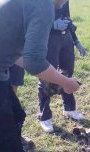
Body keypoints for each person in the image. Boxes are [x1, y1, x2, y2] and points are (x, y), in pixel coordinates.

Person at [0, 0, 80, 152]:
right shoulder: (42, 4)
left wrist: (49, 73)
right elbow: (34, 62)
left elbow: (15, 52)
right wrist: (66, 82)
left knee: (16, 114)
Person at [37, 1, 86, 133]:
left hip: (66, 39)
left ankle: (69, 108)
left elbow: (67, 17)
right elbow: (33, 21)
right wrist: (52, 25)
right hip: (48, 40)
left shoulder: (65, 1)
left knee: (67, 74)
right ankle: (44, 116)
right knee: (47, 78)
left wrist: (76, 41)